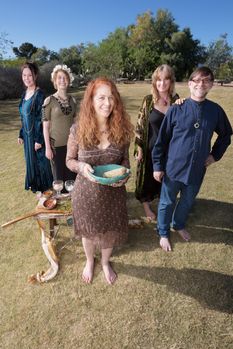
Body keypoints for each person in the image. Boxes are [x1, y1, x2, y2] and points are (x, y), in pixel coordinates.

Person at [152, 66, 233, 252]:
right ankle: (163, 231)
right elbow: (162, 141)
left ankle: (178, 224)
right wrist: (158, 165)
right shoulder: (176, 109)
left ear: (211, 84)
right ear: (189, 84)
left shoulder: (215, 111)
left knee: (188, 201)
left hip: (197, 169)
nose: (200, 84)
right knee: (167, 201)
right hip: (173, 168)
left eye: (206, 80)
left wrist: (214, 155)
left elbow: (226, 135)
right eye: (196, 80)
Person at [66, 77, 134, 284]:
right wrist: (81, 167)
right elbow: (69, 161)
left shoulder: (121, 130)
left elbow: (125, 162)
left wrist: (124, 176)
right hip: (86, 194)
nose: (107, 103)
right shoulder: (77, 130)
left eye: (111, 98)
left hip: (113, 195)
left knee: (110, 232)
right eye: (101, 98)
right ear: (91, 101)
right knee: (88, 231)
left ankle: (104, 262)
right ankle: (89, 260)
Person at [134, 64, 179, 220]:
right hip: (149, 149)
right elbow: (139, 125)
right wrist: (138, 148)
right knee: (147, 179)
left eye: (166, 79)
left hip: (170, 150)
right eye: (158, 80)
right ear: (154, 82)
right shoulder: (148, 101)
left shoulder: (177, 101)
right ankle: (147, 207)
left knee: (166, 178)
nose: (162, 83)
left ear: (171, 81)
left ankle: (163, 202)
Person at [18, 62, 53, 193]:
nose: (27, 78)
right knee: (31, 162)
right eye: (24, 75)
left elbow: (40, 119)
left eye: (30, 75)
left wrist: (39, 140)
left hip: (37, 137)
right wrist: (21, 134)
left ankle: (46, 190)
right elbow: (23, 117)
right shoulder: (24, 94)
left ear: (35, 76)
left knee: (41, 164)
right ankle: (38, 190)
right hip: (27, 137)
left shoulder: (39, 94)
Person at [42, 64, 77, 184]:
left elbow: (75, 123)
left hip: (72, 144)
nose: (62, 80)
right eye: (59, 78)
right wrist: (47, 148)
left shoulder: (73, 100)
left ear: (69, 80)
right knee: (59, 178)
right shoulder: (49, 101)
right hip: (56, 147)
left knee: (72, 176)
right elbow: (45, 127)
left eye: (65, 78)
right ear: (55, 81)